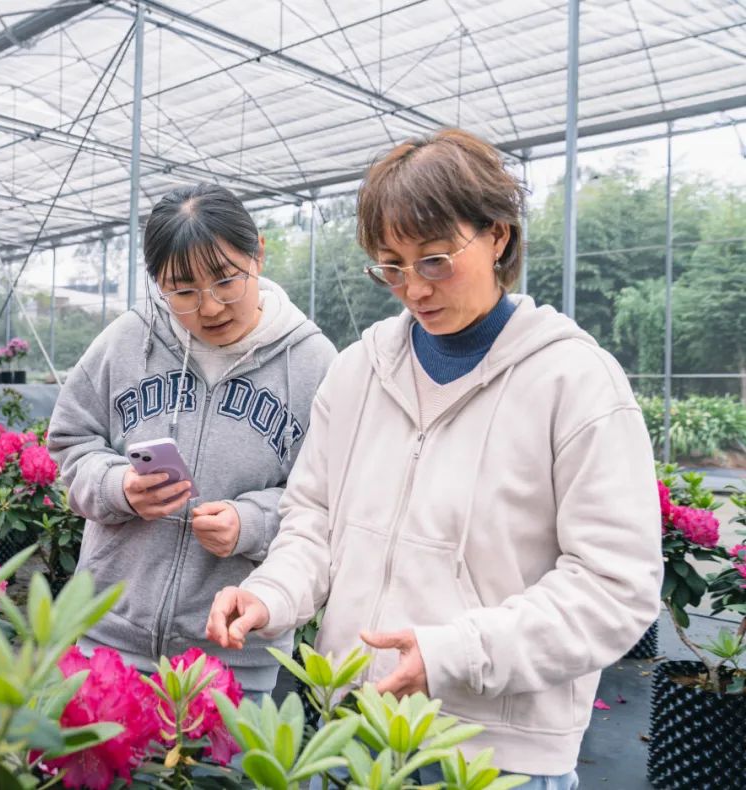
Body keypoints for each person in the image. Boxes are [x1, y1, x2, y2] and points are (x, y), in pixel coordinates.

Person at [206, 129, 662, 785]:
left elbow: (614, 584)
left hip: (493, 756)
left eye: (435, 260)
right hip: (351, 732)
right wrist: (270, 594)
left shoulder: (574, 382)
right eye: (391, 266)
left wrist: (453, 651)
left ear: (498, 235)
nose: (414, 288)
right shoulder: (360, 372)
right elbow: (313, 518)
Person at [47, 183, 336, 695]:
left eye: (227, 280)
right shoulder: (127, 341)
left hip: (235, 660)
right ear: (157, 284)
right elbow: (72, 441)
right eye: (182, 291)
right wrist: (118, 487)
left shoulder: (314, 364)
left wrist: (251, 522)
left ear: (258, 254)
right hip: (108, 641)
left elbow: (328, 496)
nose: (210, 307)